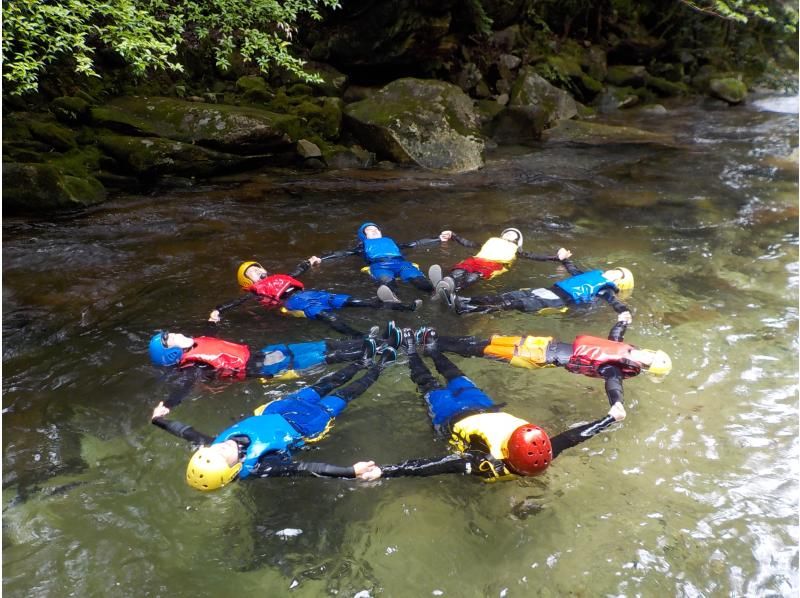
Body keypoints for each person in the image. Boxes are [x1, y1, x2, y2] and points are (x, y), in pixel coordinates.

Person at [356, 329, 624, 481]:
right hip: (482, 406)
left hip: (450, 417)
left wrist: (384, 471)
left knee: (429, 384)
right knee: (456, 375)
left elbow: (434, 464)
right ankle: (434, 349)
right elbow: (574, 436)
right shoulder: (542, 448)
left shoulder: (486, 462)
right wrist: (609, 418)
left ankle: (412, 351)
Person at [151, 342, 398, 490]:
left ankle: (360, 362)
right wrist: (349, 471)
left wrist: (159, 419)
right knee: (347, 393)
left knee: (326, 383)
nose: (221, 446)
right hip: (308, 425)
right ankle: (380, 365)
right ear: (234, 469)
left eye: (213, 449)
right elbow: (306, 468)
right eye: (224, 454)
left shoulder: (214, 447)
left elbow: (185, 431)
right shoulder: (263, 466)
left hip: (281, 409)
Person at [417, 318, 672, 421]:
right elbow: (613, 376)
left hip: (541, 346)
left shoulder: (619, 359)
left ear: (646, 361)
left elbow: (613, 373)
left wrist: (621, 321)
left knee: (484, 345)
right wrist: (616, 402)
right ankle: (433, 343)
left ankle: (434, 340)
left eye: (648, 357)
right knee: (483, 347)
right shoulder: (618, 361)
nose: (645, 354)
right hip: (537, 352)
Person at [147, 329, 388, 409]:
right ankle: (369, 351)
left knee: (320, 345)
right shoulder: (193, 366)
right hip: (265, 367)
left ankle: (370, 342)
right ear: (171, 354)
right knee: (322, 356)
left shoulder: (196, 346)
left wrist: (212, 321)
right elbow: (186, 385)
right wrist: (168, 405)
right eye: (172, 339)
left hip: (265, 353)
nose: (178, 335)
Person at [208, 259, 420, 337]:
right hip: (293, 303)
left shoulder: (280, 277)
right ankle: (362, 338)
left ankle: (404, 307)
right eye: (252, 272)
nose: (257, 271)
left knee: (354, 301)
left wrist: (309, 262)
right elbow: (238, 302)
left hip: (311, 294)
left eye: (257, 268)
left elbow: (296, 272)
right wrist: (219, 310)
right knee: (331, 318)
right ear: (247, 281)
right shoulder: (254, 290)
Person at [437, 252, 634, 320]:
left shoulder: (606, 288)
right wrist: (565, 260)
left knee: (512, 304)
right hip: (550, 290)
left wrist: (623, 311)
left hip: (558, 301)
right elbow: (575, 271)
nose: (613, 272)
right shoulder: (594, 275)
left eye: (619, 274)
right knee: (510, 295)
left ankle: (468, 310)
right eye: (616, 269)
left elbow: (612, 301)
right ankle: (465, 301)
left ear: (619, 282)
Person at [429, 228, 566, 292]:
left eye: (513, 235)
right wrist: (453, 235)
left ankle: (456, 289)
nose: (510, 234)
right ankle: (447, 283)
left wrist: (556, 257)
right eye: (508, 232)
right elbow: (469, 243)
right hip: (477, 259)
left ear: (517, 241)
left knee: (474, 276)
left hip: (495, 265)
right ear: (502, 235)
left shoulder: (517, 250)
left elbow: (535, 256)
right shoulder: (491, 241)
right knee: (460, 270)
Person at [319, 222, 441, 293]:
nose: (374, 231)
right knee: (388, 281)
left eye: (376, 229)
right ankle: (393, 296)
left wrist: (439, 238)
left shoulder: (391, 243)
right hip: (379, 266)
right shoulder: (362, 246)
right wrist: (321, 259)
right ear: (364, 236)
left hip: (401, 263)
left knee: (415, 278)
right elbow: (343, 253)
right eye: (369, 230)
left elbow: (415, 243)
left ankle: (433, 290)